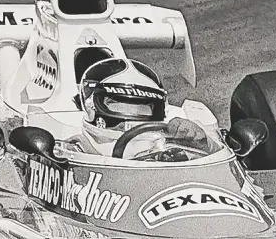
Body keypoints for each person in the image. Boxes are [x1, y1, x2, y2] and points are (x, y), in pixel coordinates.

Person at [75, 57, 211, 161]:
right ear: (90, 106)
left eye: (144, 105)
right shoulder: (76, 150)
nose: (132, 111)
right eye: (116, 102)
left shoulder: (168, 146)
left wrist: (203, 144)